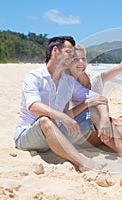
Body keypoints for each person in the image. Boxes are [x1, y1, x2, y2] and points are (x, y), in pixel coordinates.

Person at [13, 36, 107, 172]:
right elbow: (34, 105)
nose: (72, 57)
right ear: (55, 51)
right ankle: (82, 163)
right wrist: (62, 116)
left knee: (91, 112)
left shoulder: (68, 81)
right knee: (45, 120)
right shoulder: (34, 76)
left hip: (56, 136)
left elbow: (97, 98)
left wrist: (104, 119)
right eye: (68, 52)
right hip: (27, 137)